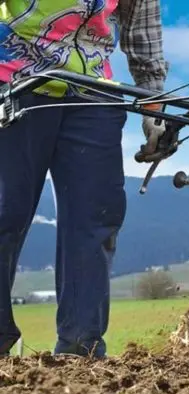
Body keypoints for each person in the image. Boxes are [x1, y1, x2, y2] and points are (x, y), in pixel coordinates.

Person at [0, 0, 169, 357]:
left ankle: (81, 348)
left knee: (96, 217)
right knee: (5, 208)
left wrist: (154, 109)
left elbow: (142, 28)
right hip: (13, 77)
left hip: (91, 89)